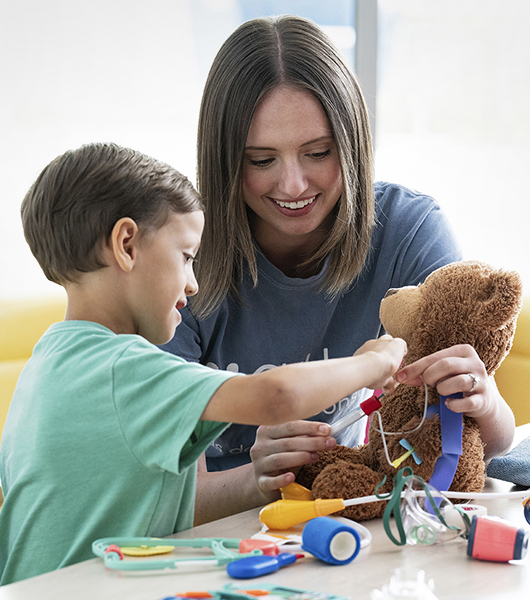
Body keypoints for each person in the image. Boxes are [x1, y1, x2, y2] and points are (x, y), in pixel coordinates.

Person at [161, 15, 516, 523]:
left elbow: (487, 438)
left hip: (344, 521)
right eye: (261, 160)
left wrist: (483, 402)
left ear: (351, 144)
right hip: (217, 534)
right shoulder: (179, 254)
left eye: (318, 153)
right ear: (224, 160)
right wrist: (255, 478)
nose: (293, 184)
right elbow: (155, 502)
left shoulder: (406, 230)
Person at [0, 142, 406, 585]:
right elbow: (276, 396)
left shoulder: (50, 364)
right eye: (187, 257)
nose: (193, 284)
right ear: (127, 245)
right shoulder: (122, 368)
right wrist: (375, 360)